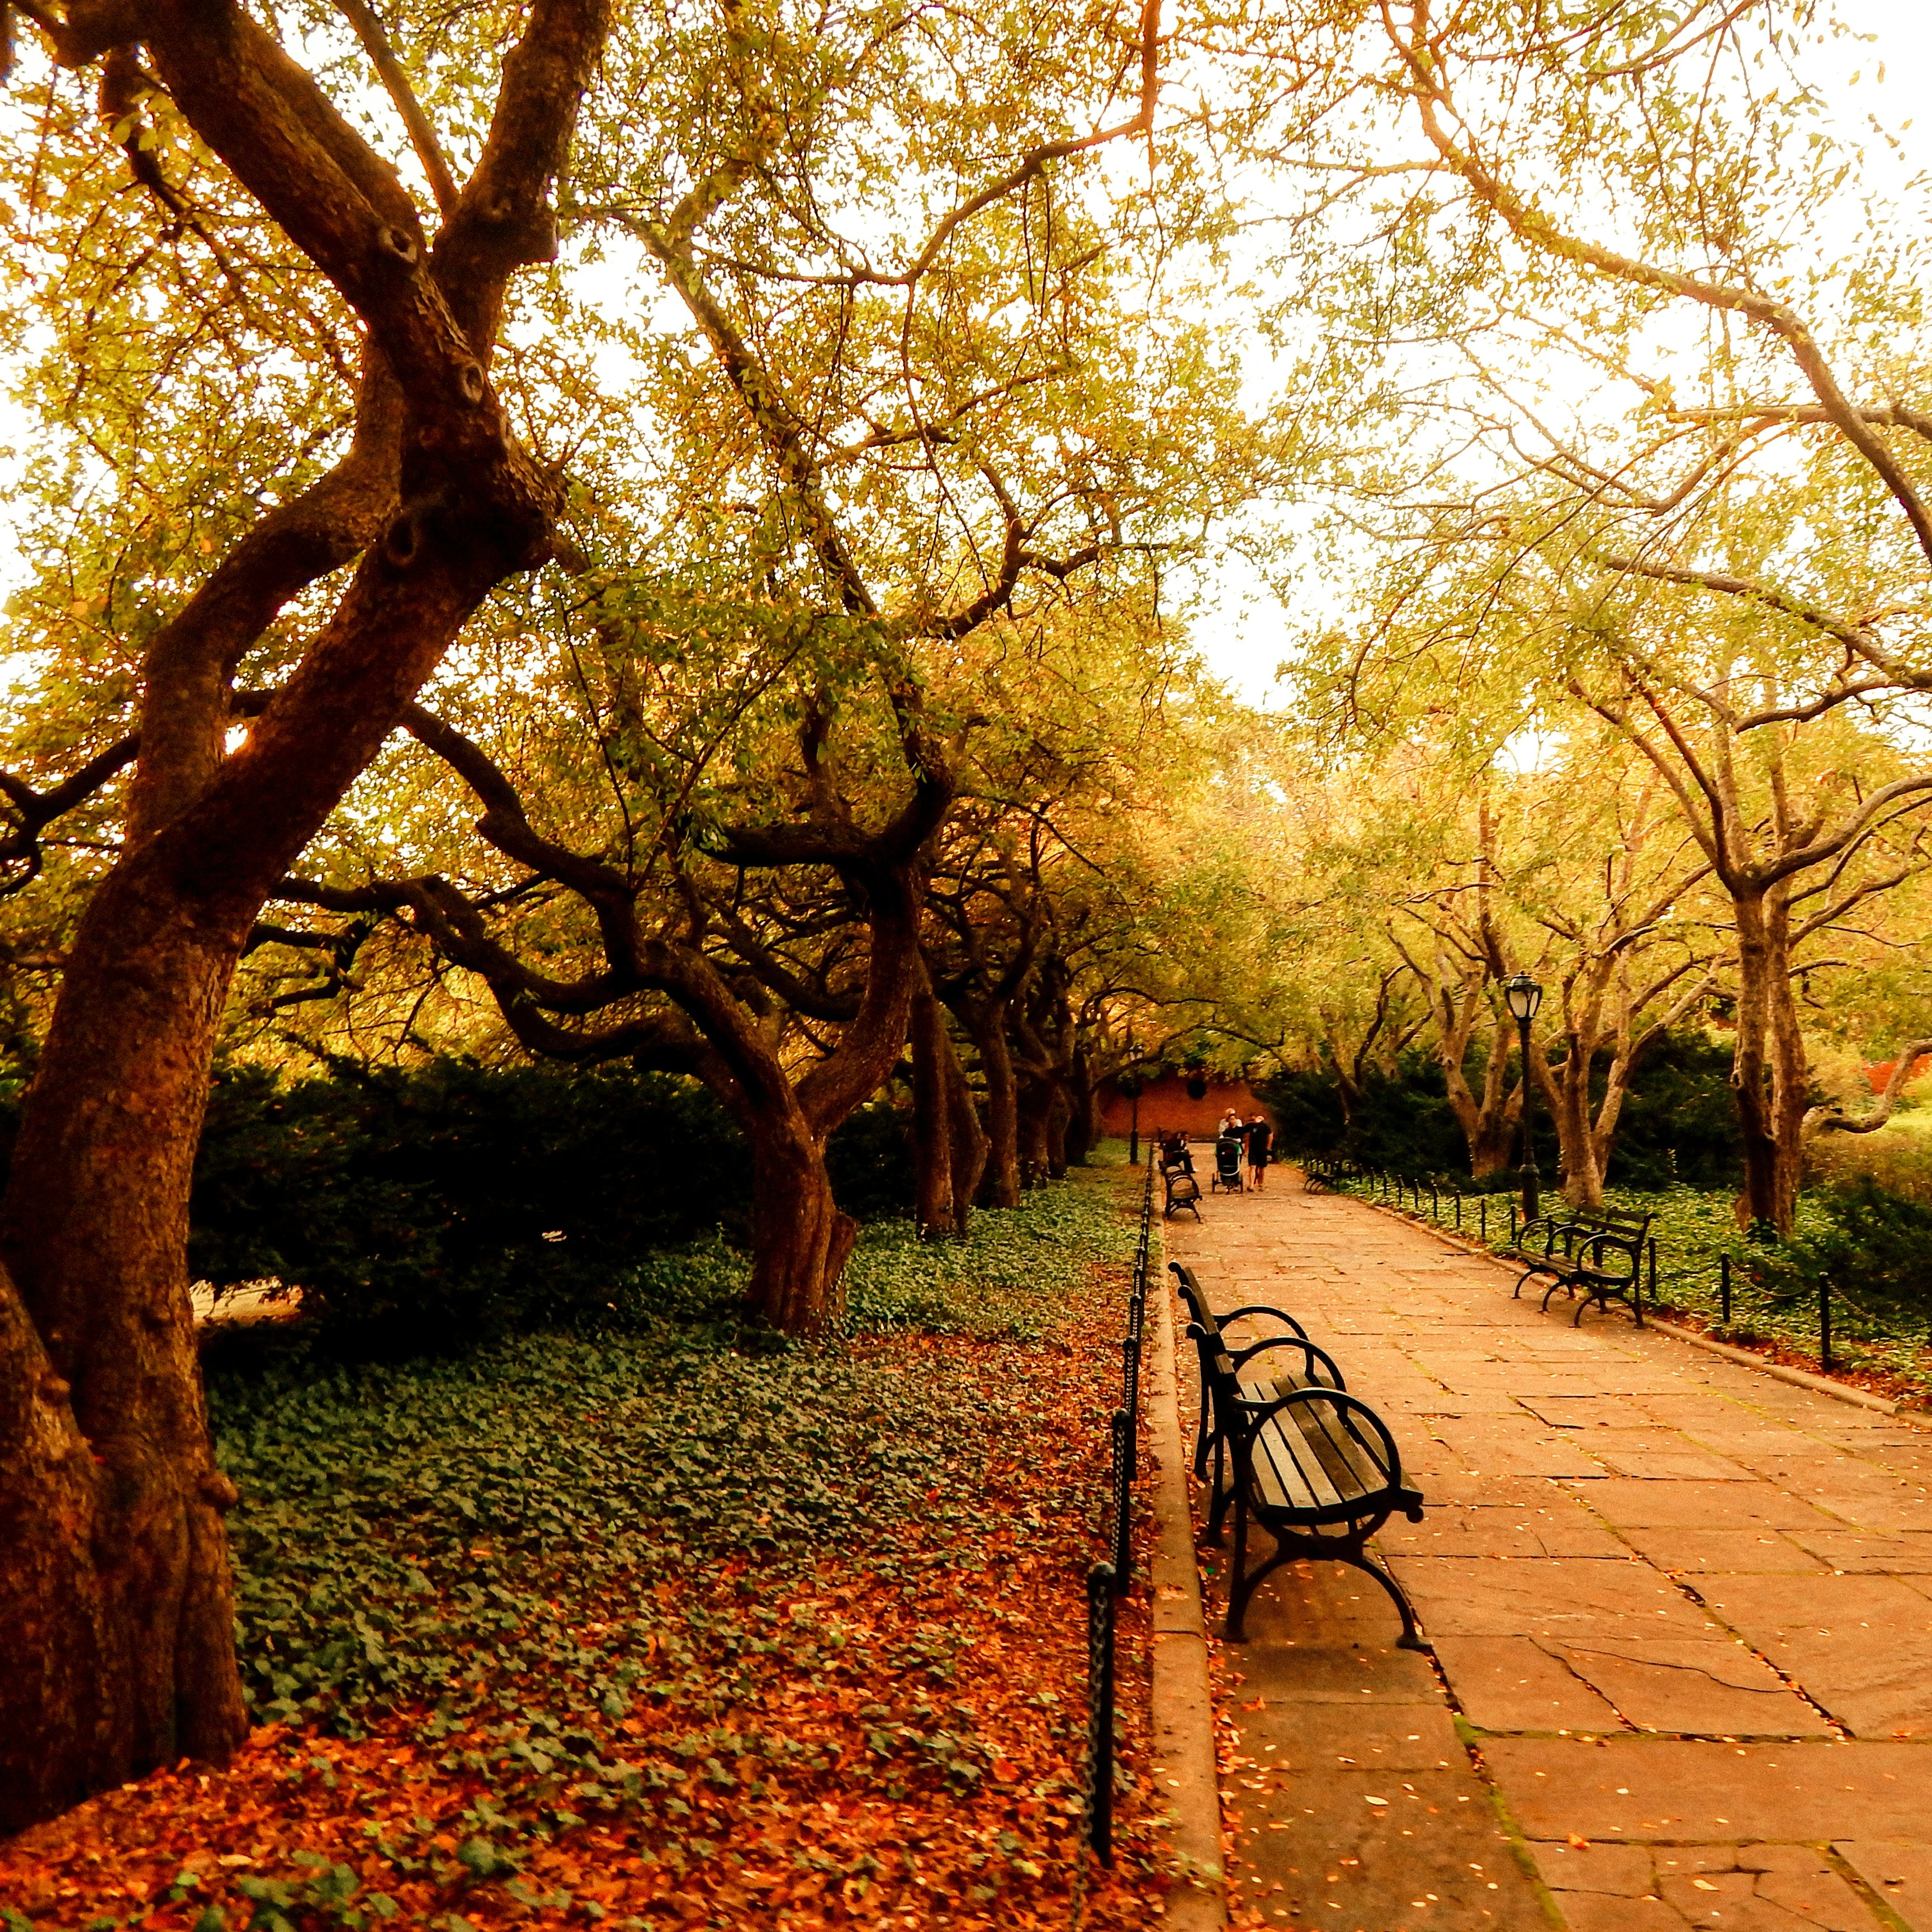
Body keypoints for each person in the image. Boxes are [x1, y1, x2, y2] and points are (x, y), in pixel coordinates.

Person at [1245, 1114, 1273, 1191]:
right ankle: (1251, 1185)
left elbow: (1270, 1135)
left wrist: (1268, 1146)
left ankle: (1260, 1183)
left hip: (1262, 1149)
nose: (1252, 1122)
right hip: (1253, 1149)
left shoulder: (1265, 1126)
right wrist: (1246, 1149)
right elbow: (1247, 1138)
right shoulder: (1250, 1127)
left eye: (1253, 1120)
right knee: (1252, 1167)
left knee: (1261, 1168)